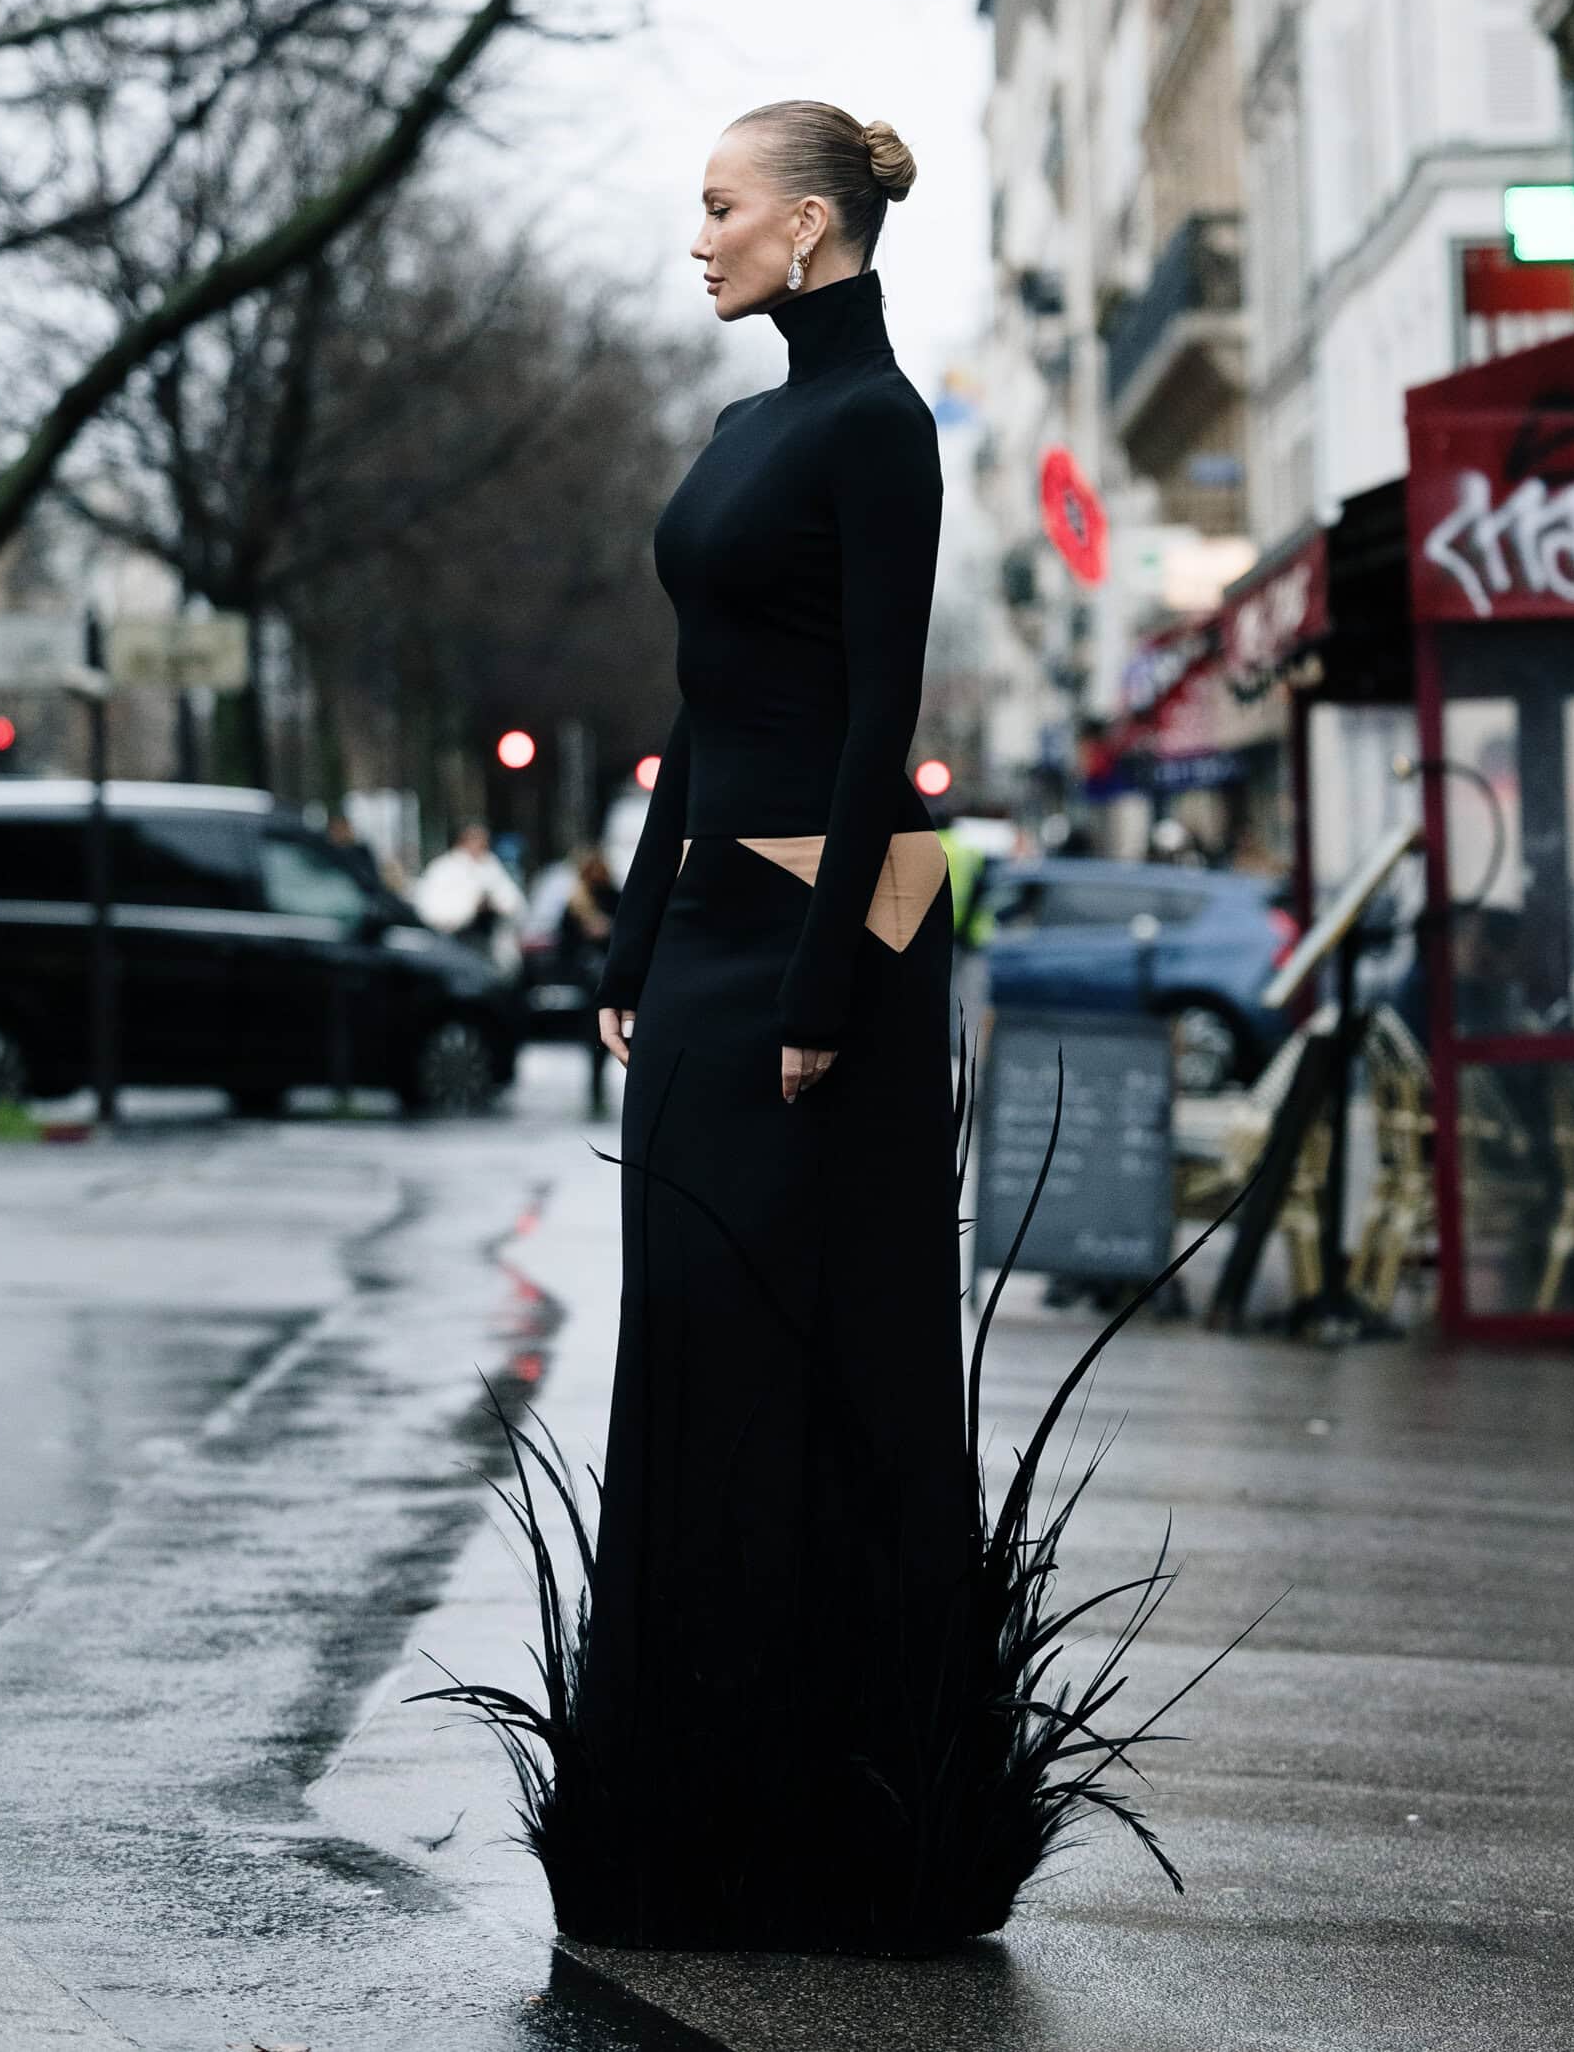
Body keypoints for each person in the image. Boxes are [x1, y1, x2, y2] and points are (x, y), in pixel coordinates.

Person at [434, 102, 1196, 1956]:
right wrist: (630, 923)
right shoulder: (739, 427)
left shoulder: (878, 426)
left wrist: (820, 983)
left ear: (811, 228)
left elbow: (879, 720)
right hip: (711, 924)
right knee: (694, 1345)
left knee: (823, 1349)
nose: (695, 239)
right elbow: (706, 706)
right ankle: (680, 1828)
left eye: (718, 209)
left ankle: (859, 1835)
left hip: (836, 914)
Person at [412, 821, 525, 974]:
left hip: (489, 940)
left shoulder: (490, 865)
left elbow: (513, 902)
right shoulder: (443, 868)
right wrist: (471, 906)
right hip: (455, 940)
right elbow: (431, 910)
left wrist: (494, 904)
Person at [557, 846, 622, 1115]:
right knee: (595, 1038)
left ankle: (599, 1089)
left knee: (606, 1036)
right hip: (590, 980)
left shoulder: (613, 898)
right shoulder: (575, 903)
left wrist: (606, 929)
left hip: (609, 976)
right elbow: (564, 944)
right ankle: (595, 1090)